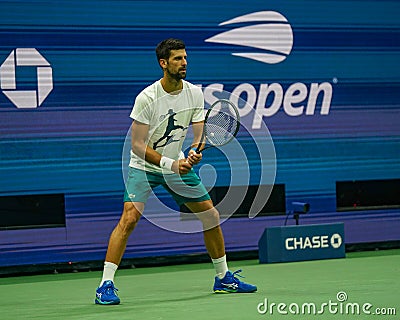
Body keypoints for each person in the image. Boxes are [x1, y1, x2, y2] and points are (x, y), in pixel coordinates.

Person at [95, 38, 257, 305]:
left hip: (177, 165)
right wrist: (171, 164)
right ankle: (105, 284)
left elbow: (199, 132)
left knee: (211, 215)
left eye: (185, 58)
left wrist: (195, 150)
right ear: (163, 63)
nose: (184, 63)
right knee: (130, 217)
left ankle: (223, 277)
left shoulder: (194, 93)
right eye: (178, 59)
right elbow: (136, 145)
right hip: (145, 167)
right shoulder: (147, 98)